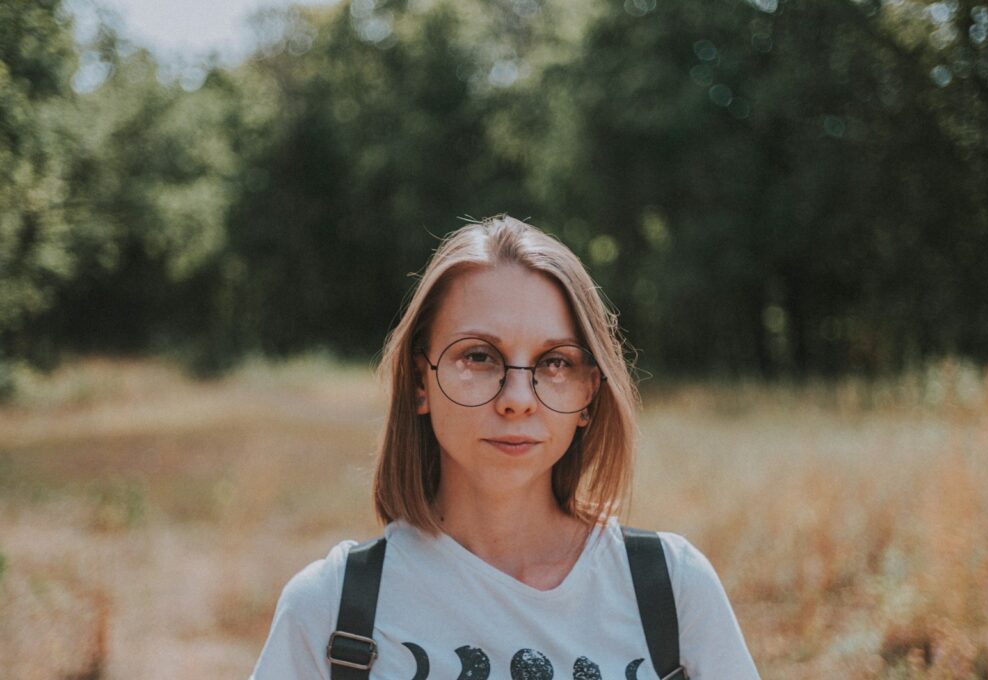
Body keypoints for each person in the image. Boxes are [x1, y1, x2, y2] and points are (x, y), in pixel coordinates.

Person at [250, 215, 760, 679]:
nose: (517, 400)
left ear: (590, 393)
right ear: (419, 382)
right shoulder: (331, 609)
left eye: (555, 362)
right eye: (478, 356)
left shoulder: (670, 589)